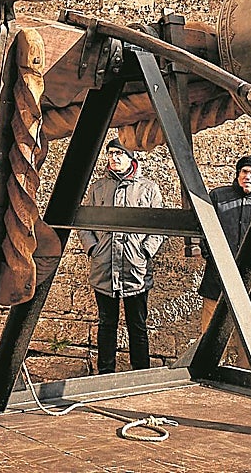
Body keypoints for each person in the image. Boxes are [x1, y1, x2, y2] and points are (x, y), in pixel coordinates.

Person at [78, 139, 164, 374]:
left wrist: (145, 252)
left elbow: (159, 226)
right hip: (105, 267)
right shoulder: (98, 188)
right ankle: (105, 373)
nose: (114, 158)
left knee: (137, 325)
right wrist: (93, 249)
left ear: (131, 158)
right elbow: (84, 224)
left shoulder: (148, 189)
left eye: (119, 154)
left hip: (135, 268)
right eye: (111, 154)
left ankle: (140, 373)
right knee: (107, 324)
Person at [198, 155, 251, 330]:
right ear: (238, 174)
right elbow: (202, 226)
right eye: (244, 171)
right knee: (209, 328)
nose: (248, 176)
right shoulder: (218, 196)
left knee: (249, 332)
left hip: (250, 275)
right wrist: (210, 255)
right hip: (217, 274)